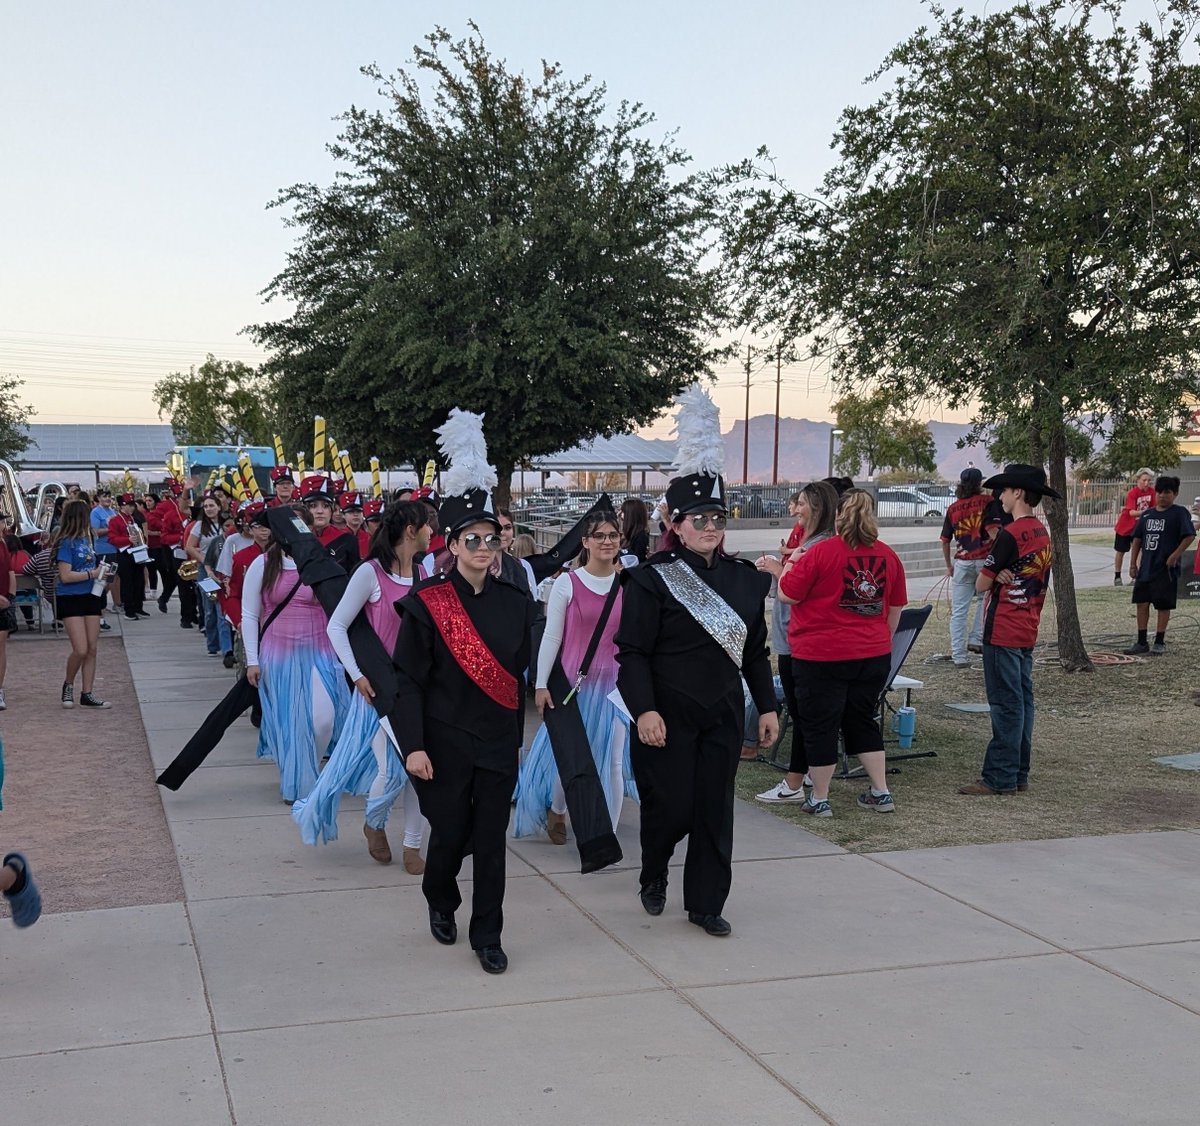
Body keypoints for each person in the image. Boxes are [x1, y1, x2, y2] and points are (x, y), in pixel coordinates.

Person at [614, 385, 778, 938]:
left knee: (715, 810)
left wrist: (769, 706)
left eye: (717, 518)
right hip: (665, 712)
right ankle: (654, 867)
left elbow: (754, 649)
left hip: (723, 711)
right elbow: (631, 653)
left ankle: (707, 902)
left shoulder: (744, 580)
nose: (710, 527)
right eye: (698, 519)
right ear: (676, 525)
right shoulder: (649, 579)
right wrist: (644, 711)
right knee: (672, 809)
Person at [393, 409, 535, 974]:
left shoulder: (517, 604)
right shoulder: (427, 604)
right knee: (449, 834)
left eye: (491, 537)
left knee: (492, 842)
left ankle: (489, 935)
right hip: (445, 742)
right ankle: (439, 896)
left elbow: (519, 670)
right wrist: (415, 745)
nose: (483, 546)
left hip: (499, 741)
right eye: (471, 538)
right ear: (452, 544)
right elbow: (407, 682)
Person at [293, 500, 429, 871]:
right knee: (392, 768)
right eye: (428, 525)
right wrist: (357, 674)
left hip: (418, 690)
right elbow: (337, 626)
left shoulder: (425, 571)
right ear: (411, 532)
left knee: (422, 768)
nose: (433, 532)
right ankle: (375, 822)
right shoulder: (369, 574)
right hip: (378, 690)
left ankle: (413, 845)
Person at [774, 489, 907, 817]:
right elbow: (896, 606)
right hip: (872, 654)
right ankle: (881, 791)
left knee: (820, 724)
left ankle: (819, 798)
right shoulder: (888, 555)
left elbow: (787, 594)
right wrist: (879, 641)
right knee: (861, 718)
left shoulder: (820, 552)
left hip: (821, 655)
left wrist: (788, 563)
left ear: (837, 516)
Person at [514, 508, 632, 844]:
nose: (607, 541)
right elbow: (552, 636)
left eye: (613, 535)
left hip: (615, 688)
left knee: (611, 761)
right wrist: (540, 685)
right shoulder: (567, 582)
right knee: (569, 755)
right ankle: (557, 809)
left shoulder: (629, 584)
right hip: (572, 686)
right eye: (599, 536)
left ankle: (603, 835)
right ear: (585, 542)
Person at [958, 464, 1057, 796]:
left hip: (1003, 627)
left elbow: (982, 583)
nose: (999, 496)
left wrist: (995, 575)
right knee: (1023, 702)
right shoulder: (1041, 533)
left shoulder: (1011, 534)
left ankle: (999, 775)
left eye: (1003, 490)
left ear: (1017, 492)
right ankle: (1019, 772)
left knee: (1005, 704)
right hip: (1028, 625)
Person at [242, 505, 350, 803]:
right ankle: (298, 780)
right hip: (279, 656)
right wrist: (252, 660)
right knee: (291, 722)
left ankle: (308, 768)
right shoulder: (262, 565)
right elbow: (249, 615)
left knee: (323, 720)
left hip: (322, 653)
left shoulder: (323, 564)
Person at [753, 480, 840, 802]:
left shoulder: (819, 546)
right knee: (804, 711)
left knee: (803, 713)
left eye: (801, 503)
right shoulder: (813, 542)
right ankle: (801, 778)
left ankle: (794, 783)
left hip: (800, 641)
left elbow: (801, 593)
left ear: (816, 507)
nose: (795, 509)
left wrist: (778, 570)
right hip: (792, 640)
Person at [1123, 476, 1195, 656]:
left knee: (1163, 605)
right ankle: (1141, 641)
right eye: (1160, 492)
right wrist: (1133, 563)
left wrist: (1175, 555)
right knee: (1141, 603)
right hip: (1146, 567)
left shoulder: (1179, 513)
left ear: (1175, 494)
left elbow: (1189, 536)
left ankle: (1159, 641)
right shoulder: (1147, 514)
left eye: (1167, 493)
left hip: (1165, 569)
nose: (1163, 496)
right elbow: (1137, 539)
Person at [53, 498, 112, 709]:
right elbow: (65, 575)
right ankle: (68, 684)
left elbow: (92, 567)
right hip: (70, 596)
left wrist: (102, 576)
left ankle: (87, 692)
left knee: (92, 648)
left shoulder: (89, 539)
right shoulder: (65, 542)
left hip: (91, 594)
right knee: (80, 648)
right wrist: (92, 573)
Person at [940, 467, 992, 667]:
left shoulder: (953, 508)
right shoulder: (987, 503)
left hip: (962, 562)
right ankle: (976, 638)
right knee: (984, 601)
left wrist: (949, 566)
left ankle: (958, 655)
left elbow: (945, 540)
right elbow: (993, 529)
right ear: (979, 483)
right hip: (984, 560)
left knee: (959, 611)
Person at [186, 495, 226, 656]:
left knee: (223, 607)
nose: (209, 509)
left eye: (212, 505)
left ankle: (226, 646)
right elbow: (189, 547)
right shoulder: (199, 526)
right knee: (210, 607)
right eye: (206, 506)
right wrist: (206, 560)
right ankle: (212, 644)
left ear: (219, 506)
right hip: (206, 570)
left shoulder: (226, 524)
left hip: (223, 569)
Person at [299, 475, 360, 572]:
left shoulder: (348, 541)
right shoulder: (297, 540)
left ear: (331, 509)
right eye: (313, 506)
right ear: (305, 509)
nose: (320, 511)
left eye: (325, 506)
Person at [106, 493, 149, 621]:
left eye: (132, 505)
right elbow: (112, 538)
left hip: (137, 551)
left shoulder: (134, 519)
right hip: (125, 553)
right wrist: (127, 540)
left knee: (139, 580)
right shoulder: (115, 520)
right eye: (128, 506)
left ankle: (138, 607)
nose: (131, 508)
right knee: (127, 582)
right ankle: (129, 610)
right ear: (121, 506)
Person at [1113, 468, 1155, 586]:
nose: (1146, 483)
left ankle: (1136, 577)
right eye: (1144, 480)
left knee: (1138, 551)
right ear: (1138, 480)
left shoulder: (1152, 492)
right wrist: (1147, 512)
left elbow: (1154, 508)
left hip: (1139, 527)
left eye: (1149, 481)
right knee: (1120, 551)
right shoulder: (1133, 493)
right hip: (1125, 526)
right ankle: (1117, 576)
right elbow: (1131, 512)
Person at [89, 489, 117, 610]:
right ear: (99, 498)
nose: (107, 499)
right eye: (104, 496)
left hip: (114, 549)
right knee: (102, 580)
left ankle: (112, 603)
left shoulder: (112, 511)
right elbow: (96, 532)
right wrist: (111, 528)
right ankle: (97, 604)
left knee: (113, 578)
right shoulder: (95, 512)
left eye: (109, 496)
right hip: (103, 550)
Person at [0, 533, 13, 710]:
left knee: (1, 645)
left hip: (3, 601)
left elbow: (10, 570)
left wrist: (11, 596)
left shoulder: (3, 544)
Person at [619, 497, 652, 564]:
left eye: (623, 512)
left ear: (630, 514)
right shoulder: (631, 533)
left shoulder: (641, 536)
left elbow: (636, 560)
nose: (620, 514)